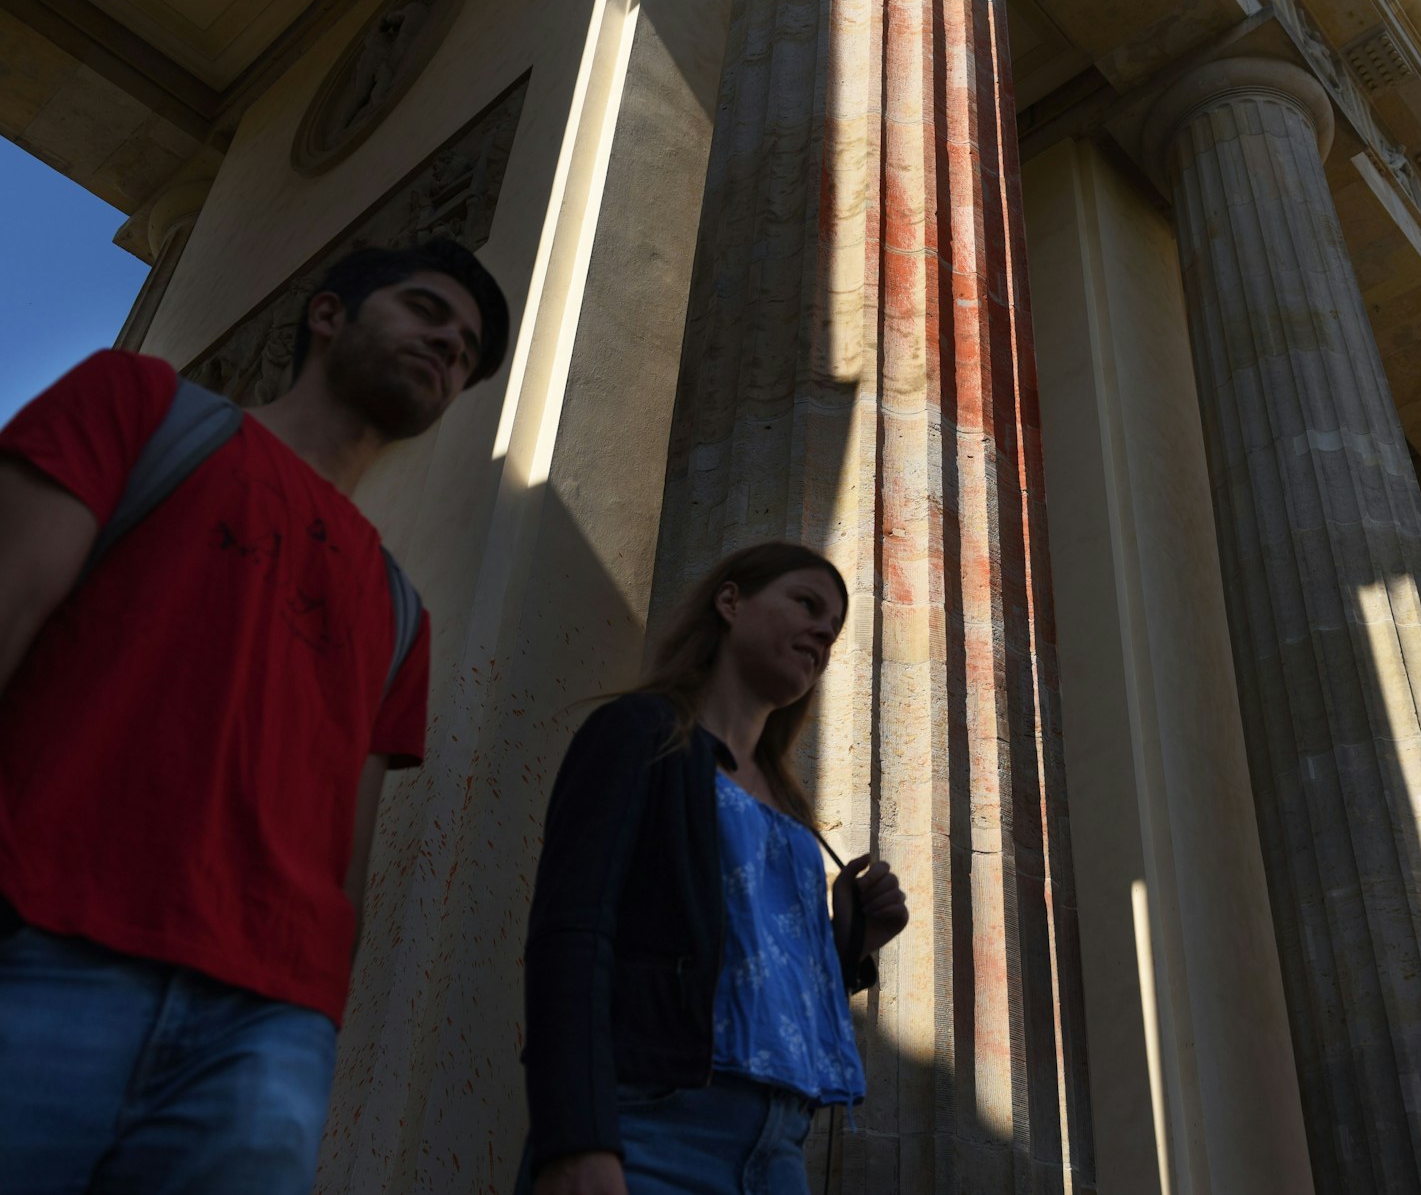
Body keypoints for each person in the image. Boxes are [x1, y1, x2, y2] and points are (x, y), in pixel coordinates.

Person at [0, 238, 510, 1195]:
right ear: (328, 314)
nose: (449, 345)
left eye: (469, 349)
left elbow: (345, 860)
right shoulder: (136, 408)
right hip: (40, 941)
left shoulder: (405, 615)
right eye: (425, 311)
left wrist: (315, 1011)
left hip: (262, 1037)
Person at [520, 542, 911, 1195]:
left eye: (834, 628)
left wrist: (851, 942)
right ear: (730, 601)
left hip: (779, 1150)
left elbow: (749, 990)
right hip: (651, 1129)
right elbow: (572, 936)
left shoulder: (789, 805)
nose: (823, 631)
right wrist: (576, 1137)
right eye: (807, 603)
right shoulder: (639, 732)